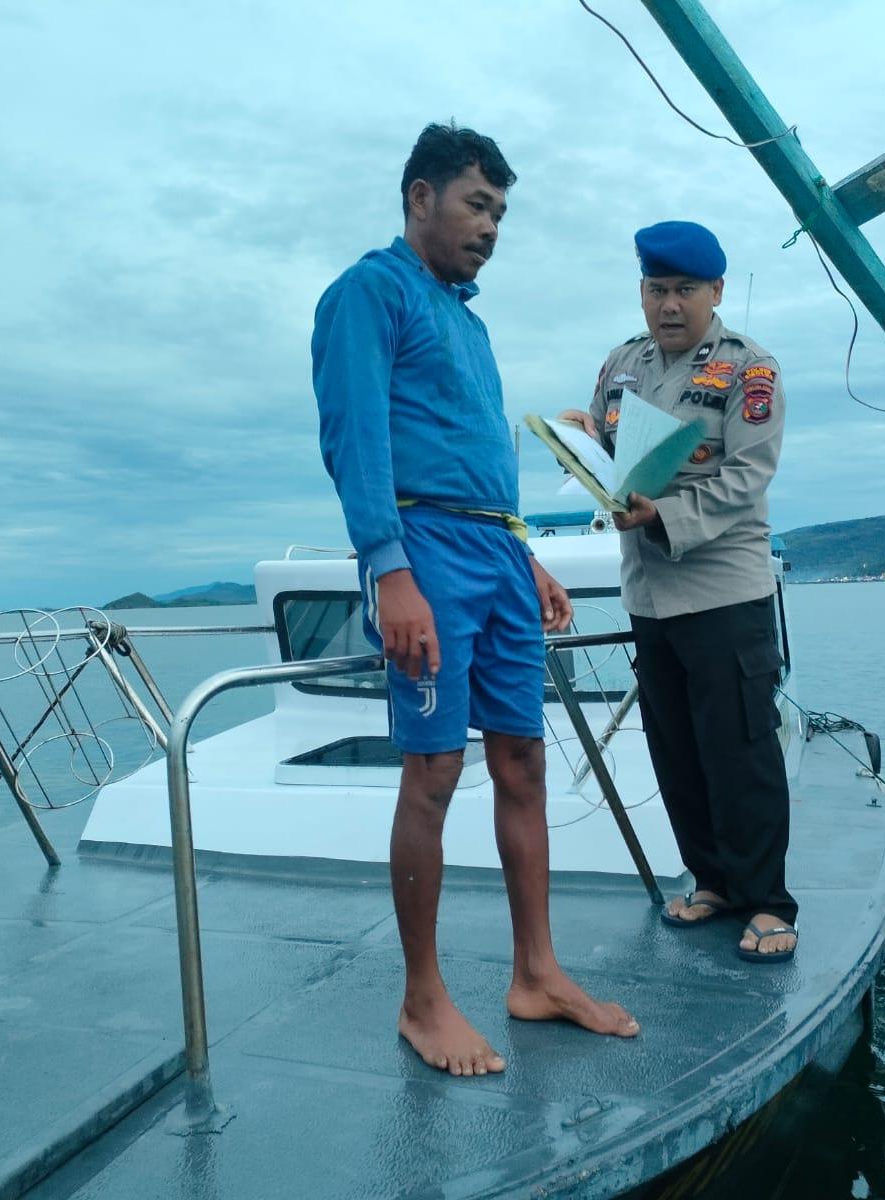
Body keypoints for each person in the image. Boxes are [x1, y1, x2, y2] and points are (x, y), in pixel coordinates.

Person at [311, 123, 639, 1077]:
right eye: (476, 205)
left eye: (500, 211)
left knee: (524, 761)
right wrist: (391, 570)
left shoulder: (468, 320)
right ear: (421, 197)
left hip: (492, 550)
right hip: (424, 552)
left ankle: (536, 973)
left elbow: (476, 453)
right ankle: (422, 999)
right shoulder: (369, 291)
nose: (491, 226)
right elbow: (353, 439)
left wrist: (522, 553)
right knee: (433, 772)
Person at [558, 220, 797, 963]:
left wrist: (663, 515)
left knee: (740, 751)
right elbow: (612, 456)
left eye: (685, 289)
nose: (669, 304)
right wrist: (580, 440)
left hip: (723, 589)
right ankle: (713, 881)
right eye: (656, 289)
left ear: (715, 291)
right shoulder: (620, 364)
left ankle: (769, 901)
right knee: (677, 751)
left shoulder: (749, 368)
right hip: (649, 594)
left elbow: (748, 476)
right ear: (642, 291)